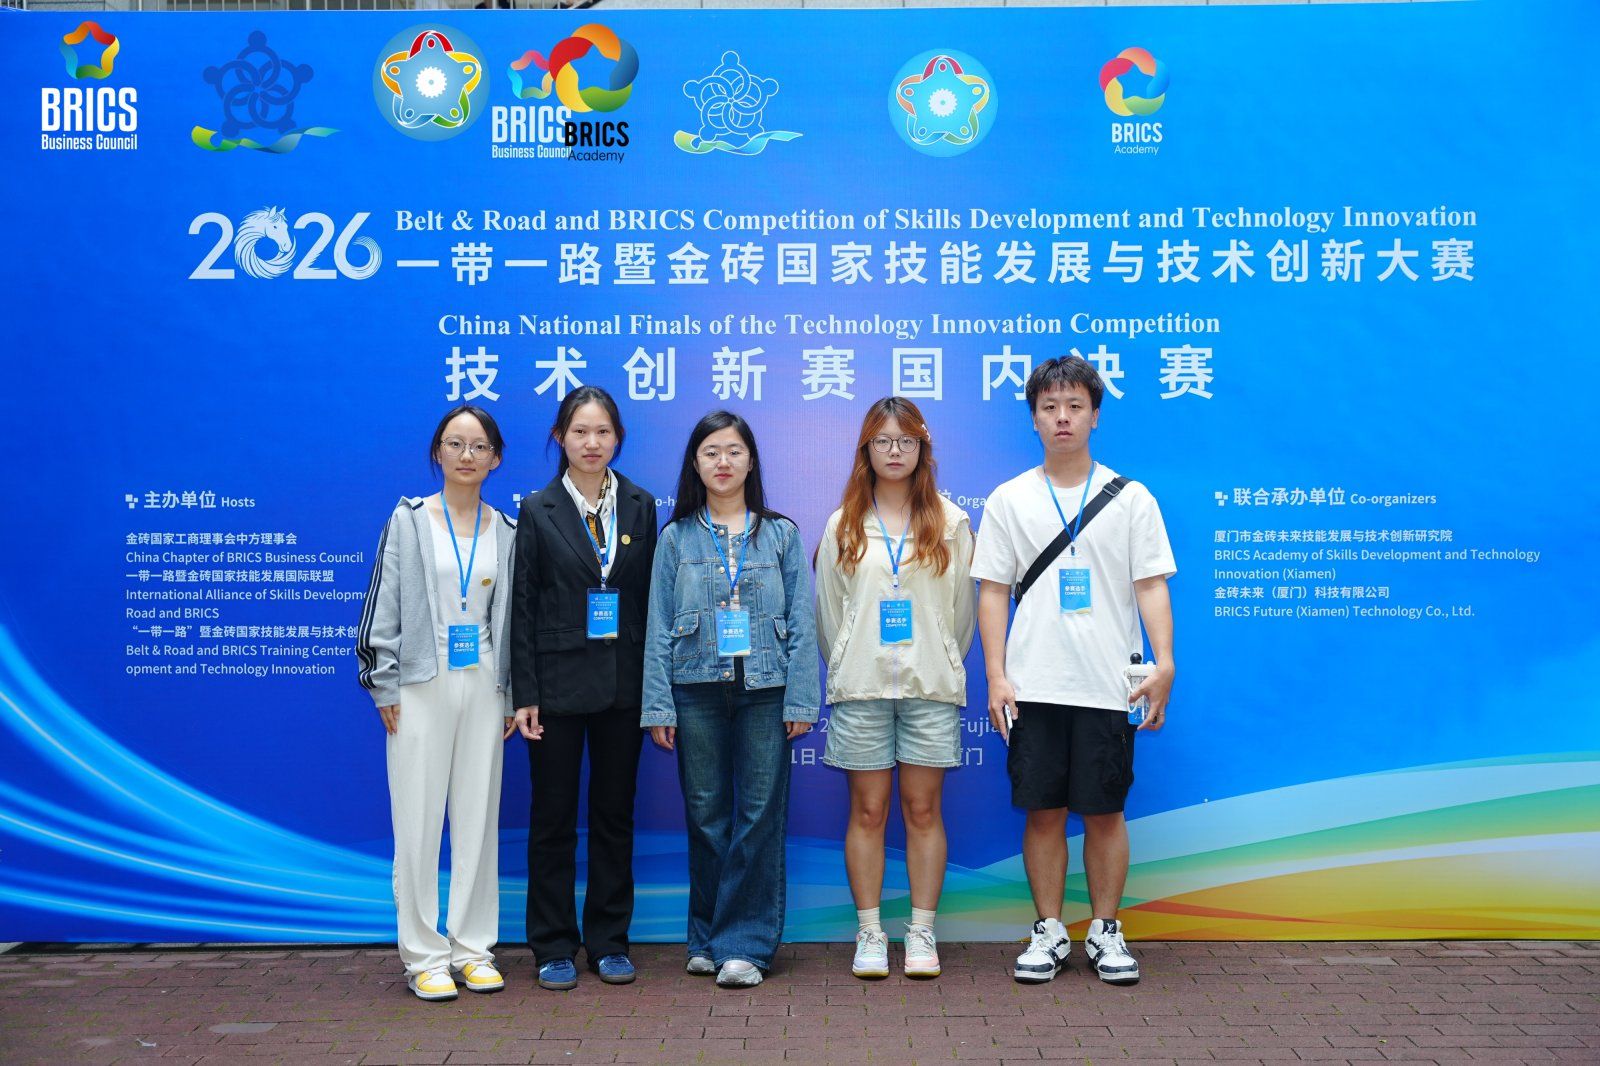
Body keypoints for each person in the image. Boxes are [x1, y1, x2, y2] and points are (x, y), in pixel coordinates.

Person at [970, 356, 1176, 986]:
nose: (1062, 418)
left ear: (1095, 416)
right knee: (1043, 813)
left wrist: (1165, 662)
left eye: (1075, 406)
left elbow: (1151, 585)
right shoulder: (1009, 498)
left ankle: (1107, 930)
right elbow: (991, 592)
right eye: (1049, 407)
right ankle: (1050, 930)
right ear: (1033, 418)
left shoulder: (1132, 497)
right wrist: (996, 676)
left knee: (1106, 812)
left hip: (1108, 685)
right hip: (1032, 685)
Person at [641, 410, 820, 988]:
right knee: (705, 815)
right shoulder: (676, 537)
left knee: (759, 815)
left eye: (734, 451)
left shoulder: (781, 534)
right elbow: (658, 625)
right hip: (694, 688)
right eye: (711, 452)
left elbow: (803, 621)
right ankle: (706, 937)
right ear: (695, 464)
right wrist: (658, 705)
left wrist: (801, 700)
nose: (723, 462)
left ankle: (744, 946)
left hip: (766, 690)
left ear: (751, 461)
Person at [356, 404, 516, 1002]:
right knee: (418, 821)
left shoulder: (507, 530)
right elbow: (383, 604)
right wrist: (384, 681)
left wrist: (511, 695)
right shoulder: (409, 521)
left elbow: (509, 620)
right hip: (421, 681)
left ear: (495, 458)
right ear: (437, 453)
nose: (466, 455)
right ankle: (424, 956)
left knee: (478, 819)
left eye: (479, 446)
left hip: (485, 682)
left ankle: (473, 949)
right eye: (455, 443)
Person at [813, 398, 975, 981]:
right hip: (861, 686)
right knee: (868, 809)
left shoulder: (951, 522)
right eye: (883, 441)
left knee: (923, 809)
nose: (895, 451)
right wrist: (854, 655)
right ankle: (870, 932)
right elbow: (829, 616)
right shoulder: (843, 523)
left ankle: (922, 931)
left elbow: (961, 617)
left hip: (929, 685)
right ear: (866, 450)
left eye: (906, 440)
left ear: (922, 448)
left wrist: (937, 655)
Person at [508, 386, 657, 991]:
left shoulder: (641, 506)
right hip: (557, 688)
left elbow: (648, 603)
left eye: (602, 432)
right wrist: (525, 693)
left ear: (617, 437)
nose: (591, 443)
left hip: (624, 684)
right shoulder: (537, 509)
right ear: (559, 437)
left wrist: (654, 690)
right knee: (552, 819)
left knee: (614, 816)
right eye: (579, 431)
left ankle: (609, 941)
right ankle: (552, 944)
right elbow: (522, 607)